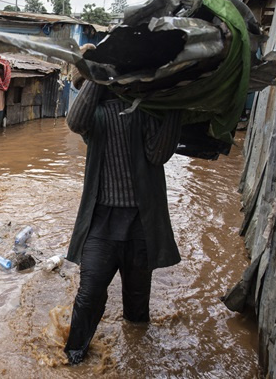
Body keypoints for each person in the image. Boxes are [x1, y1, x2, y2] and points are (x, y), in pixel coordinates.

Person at [63, 80, 182, 365]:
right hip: (101, 222)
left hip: (141, 223)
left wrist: (176, 106)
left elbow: (158, 154)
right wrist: (96, 75)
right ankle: (74, 357)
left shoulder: (149, 110)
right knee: (89, 292)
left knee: (137, 305)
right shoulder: (96, 113)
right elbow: (74, 122)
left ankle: (136, 356)